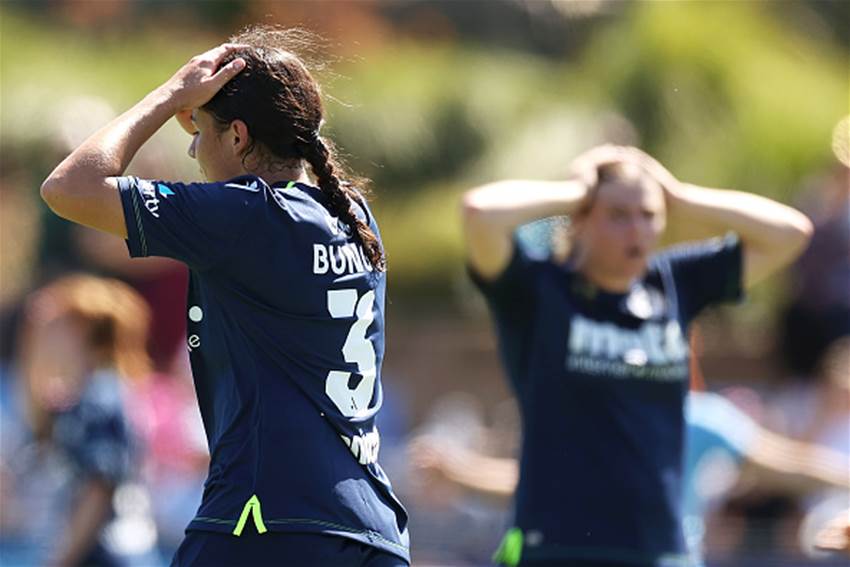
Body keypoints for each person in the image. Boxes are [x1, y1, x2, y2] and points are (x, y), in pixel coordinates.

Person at [40, 26, 408, 567]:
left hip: (266, 523)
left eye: (200, 131)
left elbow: (68, 188)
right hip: (371, 530)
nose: (192, 148)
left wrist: (170, 95)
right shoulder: (352, 215)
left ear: (237, 137)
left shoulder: (246, 214)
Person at [460, 145, 813, 566]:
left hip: (659, 550)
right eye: (617, 216)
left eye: (648, 215)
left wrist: (679, 195)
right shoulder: (539, 290)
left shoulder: (674, 283)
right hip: (556, 549)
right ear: (580, 220)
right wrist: (576, 190)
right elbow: (479, 213)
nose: (637, 231)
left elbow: (791, 234)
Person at [410, 389, 850, 565]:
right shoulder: (596, 420)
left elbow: (784, 462)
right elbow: (536, 485)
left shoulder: (701, 419)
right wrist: (463, 474)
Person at [0, 274, 156, 567]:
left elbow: (99, 489)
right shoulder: (82, 395)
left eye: (53, 328)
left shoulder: (101, 396)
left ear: (80, 331)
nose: (41, 338)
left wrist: (60, 561)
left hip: (107, 554)